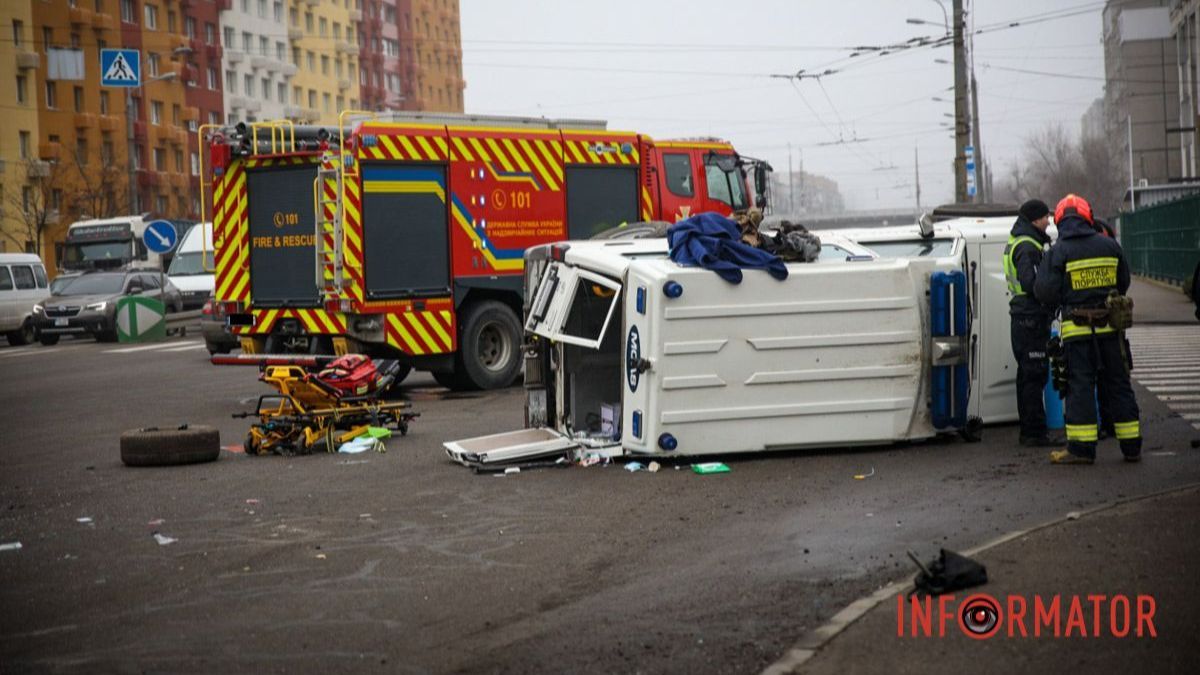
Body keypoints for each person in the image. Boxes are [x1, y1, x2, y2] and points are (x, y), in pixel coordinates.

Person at [1034, 194, 1142, 464]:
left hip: (1077, 332)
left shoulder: (1057, 252)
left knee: (1080, 386)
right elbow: (1124, 282)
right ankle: (1131, 445)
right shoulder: (1109, 245)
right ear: (1087, 217)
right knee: (1118, 383)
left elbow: (1044, 292)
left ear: (1059, 221)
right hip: (1111, 330)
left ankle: (1081, 450)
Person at [1003, 198, 1057, 446]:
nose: (1049, 220)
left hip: (1024, 316)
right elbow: (1032, 283)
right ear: (1035, 219)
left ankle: (1030, 430)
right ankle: (1034, 433)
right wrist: (1051, 296)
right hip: (1031, 318)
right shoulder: (1027, 246)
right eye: (1046, 216)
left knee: (1027, 376)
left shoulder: (1022, 239)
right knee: (1034, 376)